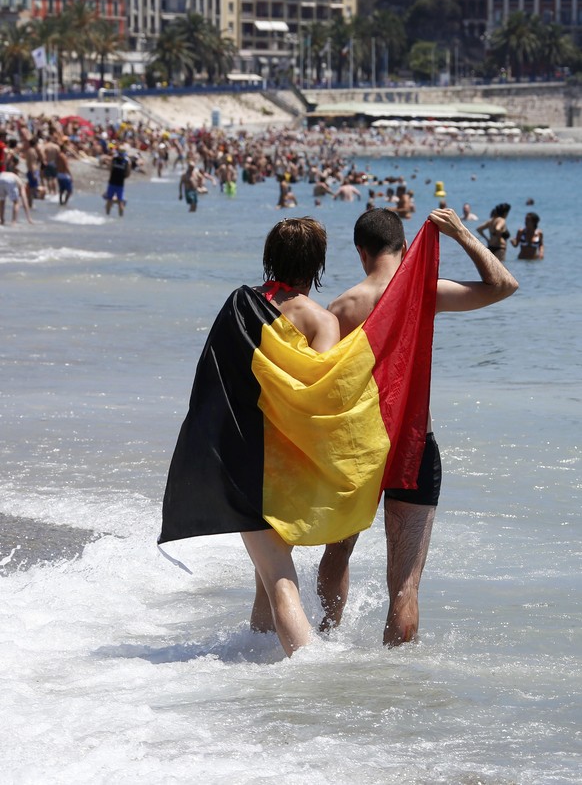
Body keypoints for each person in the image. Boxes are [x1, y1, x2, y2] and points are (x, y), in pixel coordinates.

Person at [316, 207, 518, 646]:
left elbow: (322, 387)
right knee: (405, 584)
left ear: (361, 252)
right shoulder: (423, 292)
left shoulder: (341, 307)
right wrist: (461, 232)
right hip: (414, 445)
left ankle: (324, 644)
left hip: (358, 448)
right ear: (405, 248)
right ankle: (396, 684)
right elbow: (504, 284)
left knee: (337, 552)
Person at [161, 218, 340, 657]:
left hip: (244, 459)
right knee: (272, 570)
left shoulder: (241, 304)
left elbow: (212, 385)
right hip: (291, 464)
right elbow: (318, 402)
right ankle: (264, 655)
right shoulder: (322, 321)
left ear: (270, 257)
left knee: (277, 576)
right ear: (316, 263)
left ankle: (306, 671)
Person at [105, 145, 131, 217]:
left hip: (120, 184)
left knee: (120, 201)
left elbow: (128, 174)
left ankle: (120, 217)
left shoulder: (126, 162)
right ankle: (107, 215)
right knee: (109, 200)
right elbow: (110, 168)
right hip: (112, 182)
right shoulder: (114, 159)